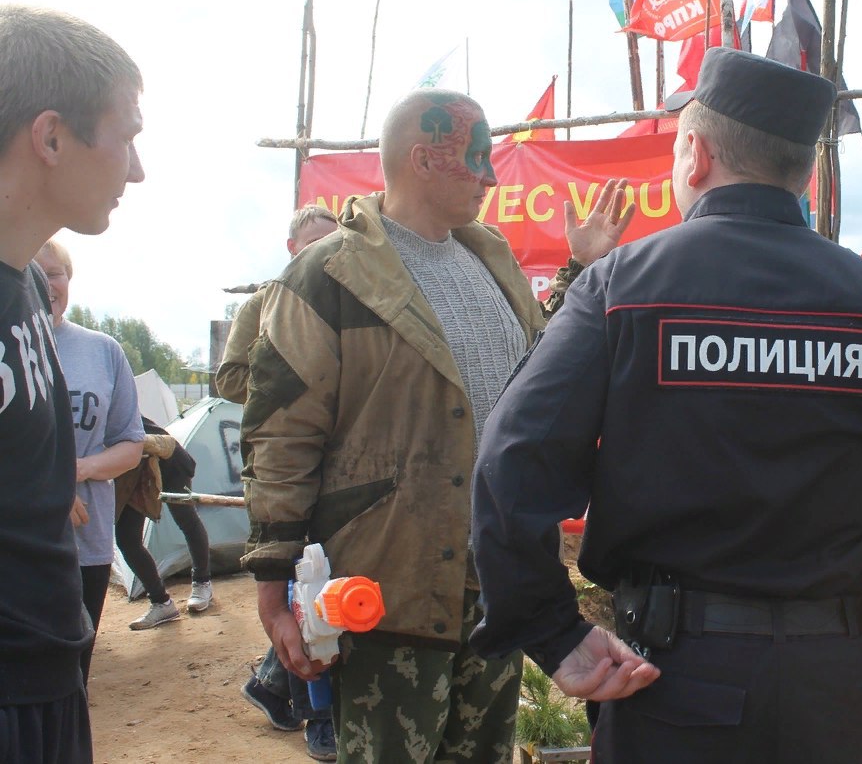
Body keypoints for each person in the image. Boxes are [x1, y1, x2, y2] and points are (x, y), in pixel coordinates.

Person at [469, 48, 862, 764]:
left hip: (670, 685)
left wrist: (553, 632)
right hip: (840, 692)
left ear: (695, 154)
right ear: (803, 173)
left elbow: (510, 466)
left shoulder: (621, 291)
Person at [240, 88, 632, 764]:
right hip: (386, 596)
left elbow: (539, 371)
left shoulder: (493, 263)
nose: (491, 176)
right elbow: (281, 437)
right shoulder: (327, 277)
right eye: (476, 158)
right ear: (423, 160)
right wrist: (275, 592)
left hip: (498, 594)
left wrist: (580, 271)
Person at [0, 4, 144, 764]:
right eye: (127, 137)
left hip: (50, 677)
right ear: (52, 137)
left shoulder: (25, 285)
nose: (137, 169)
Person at [218, 204, 339, 761]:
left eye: (333, 241)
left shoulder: (349, 300)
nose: (325, 252)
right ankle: (318, 715)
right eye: (314, 242)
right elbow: (230, 379)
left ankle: (270, 682)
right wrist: (292, 381)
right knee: (298, 586)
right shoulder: (265, 301)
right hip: (282, 464)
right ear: (293, 248)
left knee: (325, 584)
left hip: (337, 462)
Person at [33, 240, 145, 686]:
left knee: (74, 676)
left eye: (54, 273)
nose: (46, 284)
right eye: (32, 273)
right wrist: (51, 488)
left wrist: (74, 473)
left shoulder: (102, 351)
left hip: (87, 544)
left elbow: (130, 446)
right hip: (19, 544)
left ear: (69, 279)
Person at [112, 410, 214, 629]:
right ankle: (161, 603)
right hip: (134, 471)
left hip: (168, 460)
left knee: (185, 519)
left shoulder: (113, 403)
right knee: (127, 539)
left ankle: (202, 582)